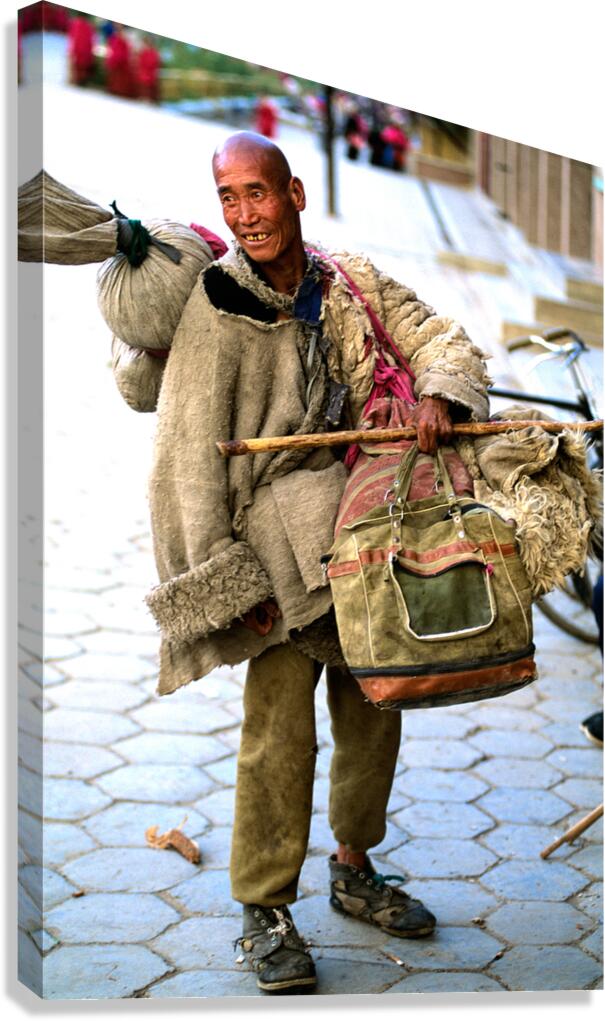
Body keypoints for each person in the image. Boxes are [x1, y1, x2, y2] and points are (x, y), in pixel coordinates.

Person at [114, 132, 490, 993]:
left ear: (296, 193)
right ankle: (264, 909)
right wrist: (221, 578)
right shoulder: (215, 305)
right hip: (274, 555)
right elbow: (185, 461)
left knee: (375, 703)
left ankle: (353, 867)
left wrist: (435, 391)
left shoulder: (347, 279)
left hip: (367, 536)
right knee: (277, 733)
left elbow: (437, 334)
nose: (245, 215)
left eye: (259, 193)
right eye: (229, 199)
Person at [67, 13, 96, 87]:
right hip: (85, 54)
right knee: (81, 74)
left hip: (77, 52)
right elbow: (91, 42)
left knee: (75, 74)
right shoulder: (89, 26)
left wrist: (71, 51)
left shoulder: (76, 24)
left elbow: (73, 38)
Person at [135, 35, 161, 103]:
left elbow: (152, 65)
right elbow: (139, 64)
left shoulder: (153, 53)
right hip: (143, 77)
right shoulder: (143, 52)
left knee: (148, 98)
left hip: (149, 79)